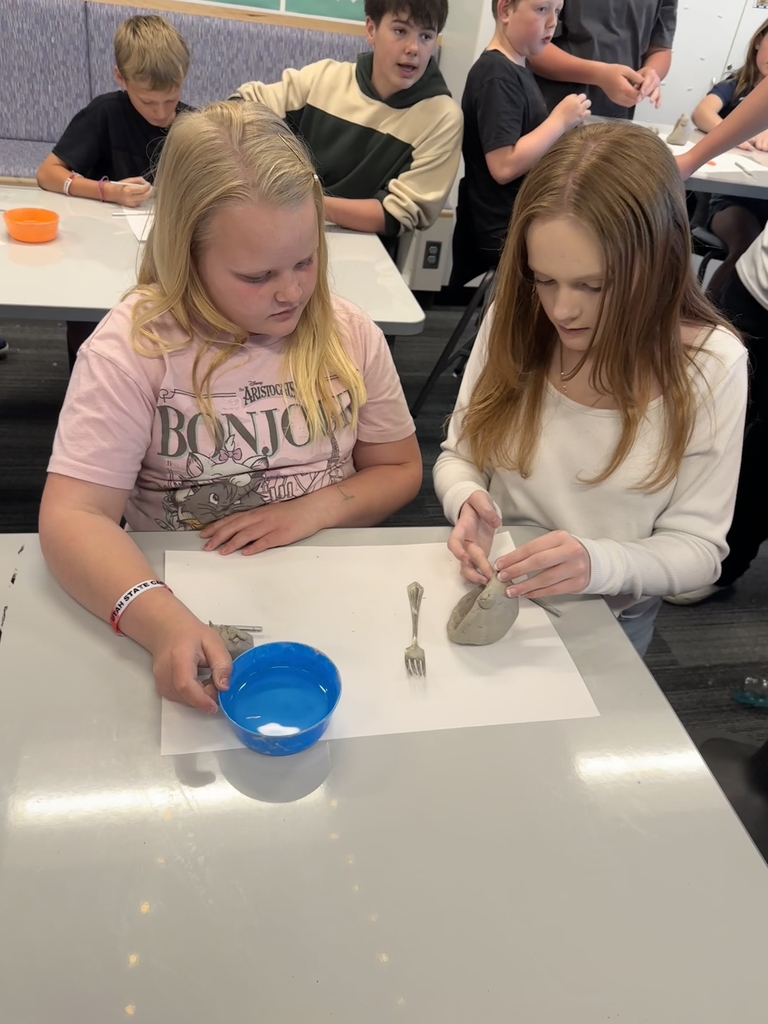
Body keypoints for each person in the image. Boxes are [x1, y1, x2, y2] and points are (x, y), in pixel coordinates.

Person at [39, 102, 422, 714]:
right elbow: (72, 517)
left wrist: (313, 509)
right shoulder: (134, 349)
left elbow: (400, 468)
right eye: (257, 274)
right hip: (180, 598)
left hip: (336, 595)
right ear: (186, 256)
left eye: (305, 260)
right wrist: (161, 621)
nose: (293, 290)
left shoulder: (349, 333)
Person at [433, 121, 747, 657]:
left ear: (660, 266)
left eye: (593, 286)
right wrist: (467, 499)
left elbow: (698, 549)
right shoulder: (515, 319)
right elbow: (458, 455)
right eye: (544, 279)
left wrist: (598, 563)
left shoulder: (710, 365)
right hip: (495, 599)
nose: (561, 310)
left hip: (611, 631)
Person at [230, 0, 462, 241]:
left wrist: (305, 203)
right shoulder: (324, 79)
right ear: (371, 29)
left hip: (368, 250)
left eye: (426, 36)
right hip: (282, 230)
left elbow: (396, 214)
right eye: (400, 31)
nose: (414, 48)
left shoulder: (442, 118)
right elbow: (242, 105)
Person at [36, 14, 193, 369]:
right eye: (148, 101)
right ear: (120, 78)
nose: (162, 113)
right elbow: (48, 174)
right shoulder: (104, 113)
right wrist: (109, 192)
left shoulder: (190, 124)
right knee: (94, 328)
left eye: (171, 100)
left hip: (161, 256)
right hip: (99, 250)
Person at [454, 0, 590, 284]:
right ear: (505, 10)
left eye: (557, 11)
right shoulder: (497, 75)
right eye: (542, 10)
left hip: (518, 217)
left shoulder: (515, 68)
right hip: (503, 225)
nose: (553, 22)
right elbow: (503, 166)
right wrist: (559, 121)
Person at [691, 18, 768, 299]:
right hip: (730, 200)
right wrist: (735, 132)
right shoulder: (737, 85)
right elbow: (702, 112)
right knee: (745, 245)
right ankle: (706, 321)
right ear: (758, 41)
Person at [529, 0, 677, 119]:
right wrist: (597, 74)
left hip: (616, 117)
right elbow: (529, 44)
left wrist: (650, 75)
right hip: (551, 111)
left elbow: (660, 48)